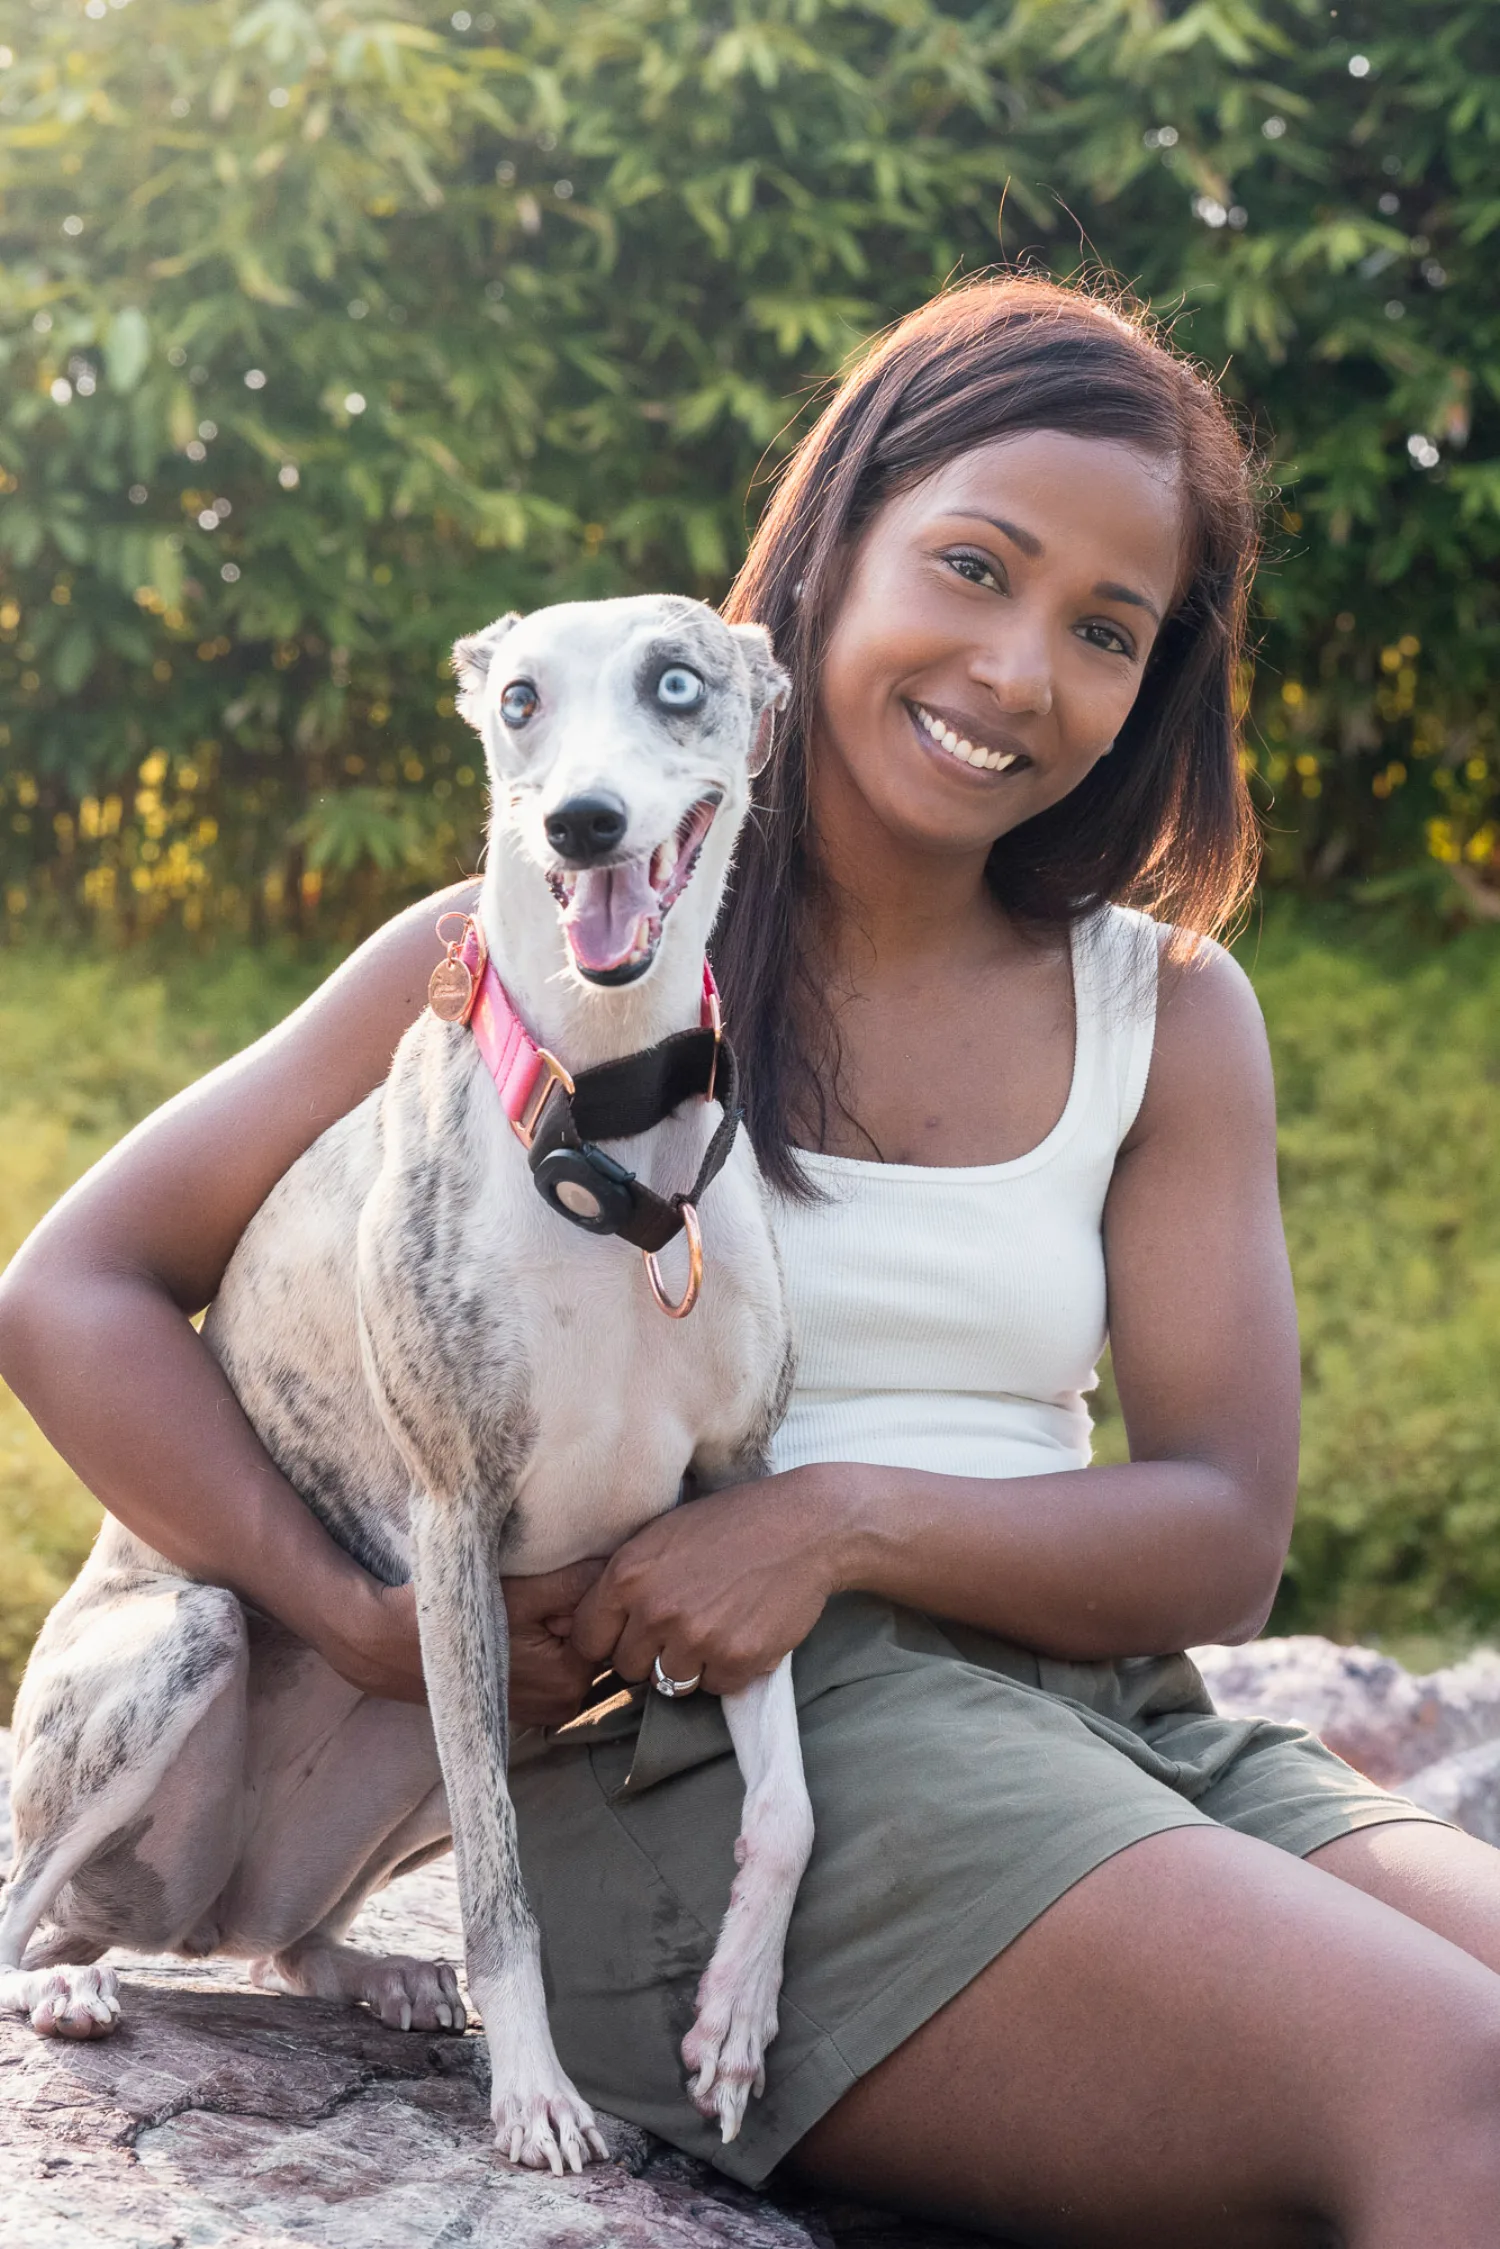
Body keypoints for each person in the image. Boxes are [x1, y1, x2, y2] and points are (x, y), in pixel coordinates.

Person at [6, 275, 1500, 2247]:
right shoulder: (515, 953)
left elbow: (1221, 1527)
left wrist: (837, 1517)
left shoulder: (1169, 1010)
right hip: (709, 1775)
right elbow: (73, 1286)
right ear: (831, 549)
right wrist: (353, 1613)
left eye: (1106, 628)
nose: (1017, 664)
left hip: (1119, 1710)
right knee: (1457, 2092)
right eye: (971, 564)